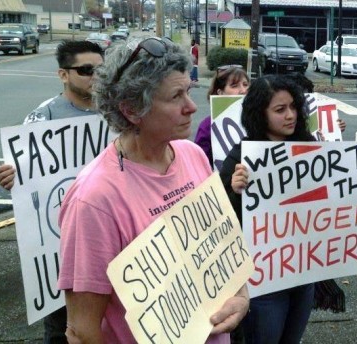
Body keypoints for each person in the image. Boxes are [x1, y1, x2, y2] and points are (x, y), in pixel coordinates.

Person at [56, 37, 249, 342]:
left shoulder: (192, 155)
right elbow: (83, 329)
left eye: (188, 90)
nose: (191, 106)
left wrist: (240, 296)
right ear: (132, 110)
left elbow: (221, 250)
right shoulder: (94, 200)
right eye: (176, 96)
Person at [221, 75, 357, 343]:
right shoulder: (241, 156)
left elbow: (339, 193)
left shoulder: (310, 146)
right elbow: (221, 219)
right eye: (279, 110)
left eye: (293, 107)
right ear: (259, 114)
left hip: (303, 276)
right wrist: (233, 188)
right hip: (263, 285)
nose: (290, 115)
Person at [0, 40, 104, 344]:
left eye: (101, 69)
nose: (95, 76)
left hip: (106, 237)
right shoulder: (41, 119)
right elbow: (25, 181)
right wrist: (11, 177)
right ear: (63, 75)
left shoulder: (118, 113)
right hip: (60, 246)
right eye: (85, 70)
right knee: (60, 328)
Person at [194, 65, 250, 166]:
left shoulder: (261, 120)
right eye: (234, 86)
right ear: (220, 92)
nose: (243, 90)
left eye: (245, 84)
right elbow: (199, 165)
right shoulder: (207, 126)